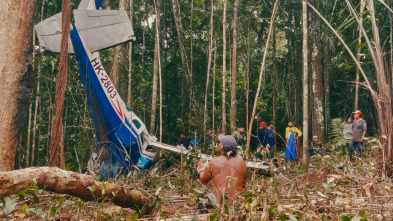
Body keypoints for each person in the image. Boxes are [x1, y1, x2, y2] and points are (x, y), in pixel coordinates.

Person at [197, 135, 247, 204]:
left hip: (220, 204)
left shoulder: (214, 161)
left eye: (220, 142)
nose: (218, 144)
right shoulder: (242, 162)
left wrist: (202, 167)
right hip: (237, 203)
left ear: (221, 147)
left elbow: (203, 180)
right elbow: (243, 185)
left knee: (201, 198)